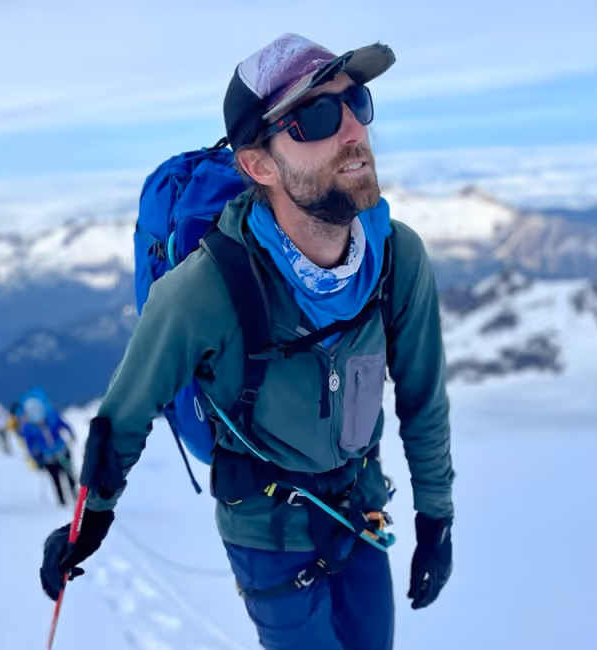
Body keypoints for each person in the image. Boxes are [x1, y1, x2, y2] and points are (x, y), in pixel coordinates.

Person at [40, 33, 454, 650]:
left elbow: (422, 397)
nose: (351, 130)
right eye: (314, 115)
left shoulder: (397, 256)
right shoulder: (205, 288)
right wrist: (90, 519)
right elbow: (124, 414)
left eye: (356, 101)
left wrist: (436, 518)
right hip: (264, 531)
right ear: (258, 165)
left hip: (361, 510)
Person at [19, 397, 78, 506]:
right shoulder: (29, 427)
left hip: (60, 451)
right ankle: (62, 500)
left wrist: (71, 434)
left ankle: (74, 495)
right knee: (57, 478)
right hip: (49, 456)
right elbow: (29, 444)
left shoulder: (51, 417)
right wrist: (36, 458)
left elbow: (64, 425)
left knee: (68, 474)